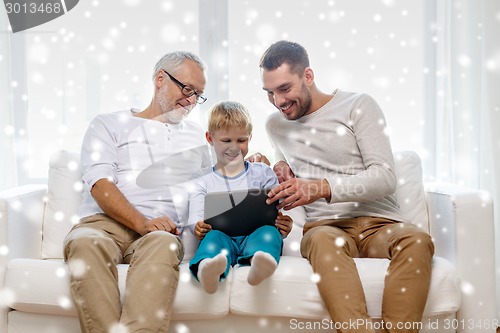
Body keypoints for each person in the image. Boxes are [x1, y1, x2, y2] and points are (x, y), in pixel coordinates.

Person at [260, 40, 434, 333]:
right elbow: (285, 161)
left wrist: (321, 187)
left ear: (308, 76)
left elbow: (385, 177)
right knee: (319, 242)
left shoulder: (358, 105)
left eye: (285, 89)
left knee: (417, 240)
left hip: (382, 224)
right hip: (327, 228)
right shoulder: (275, 125)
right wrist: (278, 166)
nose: (278, 101)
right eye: (269, 93)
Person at [63, 51, 212, 333]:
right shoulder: (108, 124)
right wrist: (141, 222)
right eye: (187, 89)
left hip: (162, 232)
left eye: (198, 95)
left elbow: (217, 183)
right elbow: (100, 183)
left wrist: (256, 163)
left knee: (165, 245)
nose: (192, 100)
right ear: (160, 79)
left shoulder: (197, 136)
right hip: (104, 224)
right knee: (85, 243)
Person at [187, 100, 293, 294]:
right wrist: (197, 225)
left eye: (241, 140)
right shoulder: (202, 179)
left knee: (269, 233)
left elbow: (277, 211)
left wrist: (284, 224)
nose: (234, 148)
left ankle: (260, 263)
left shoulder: (262, 173)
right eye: (226, 141)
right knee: (212, 238)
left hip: (254, 237)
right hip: (222, 238)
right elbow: (195, 215)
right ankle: (208, 270)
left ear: (250, 138)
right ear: (210, 138)